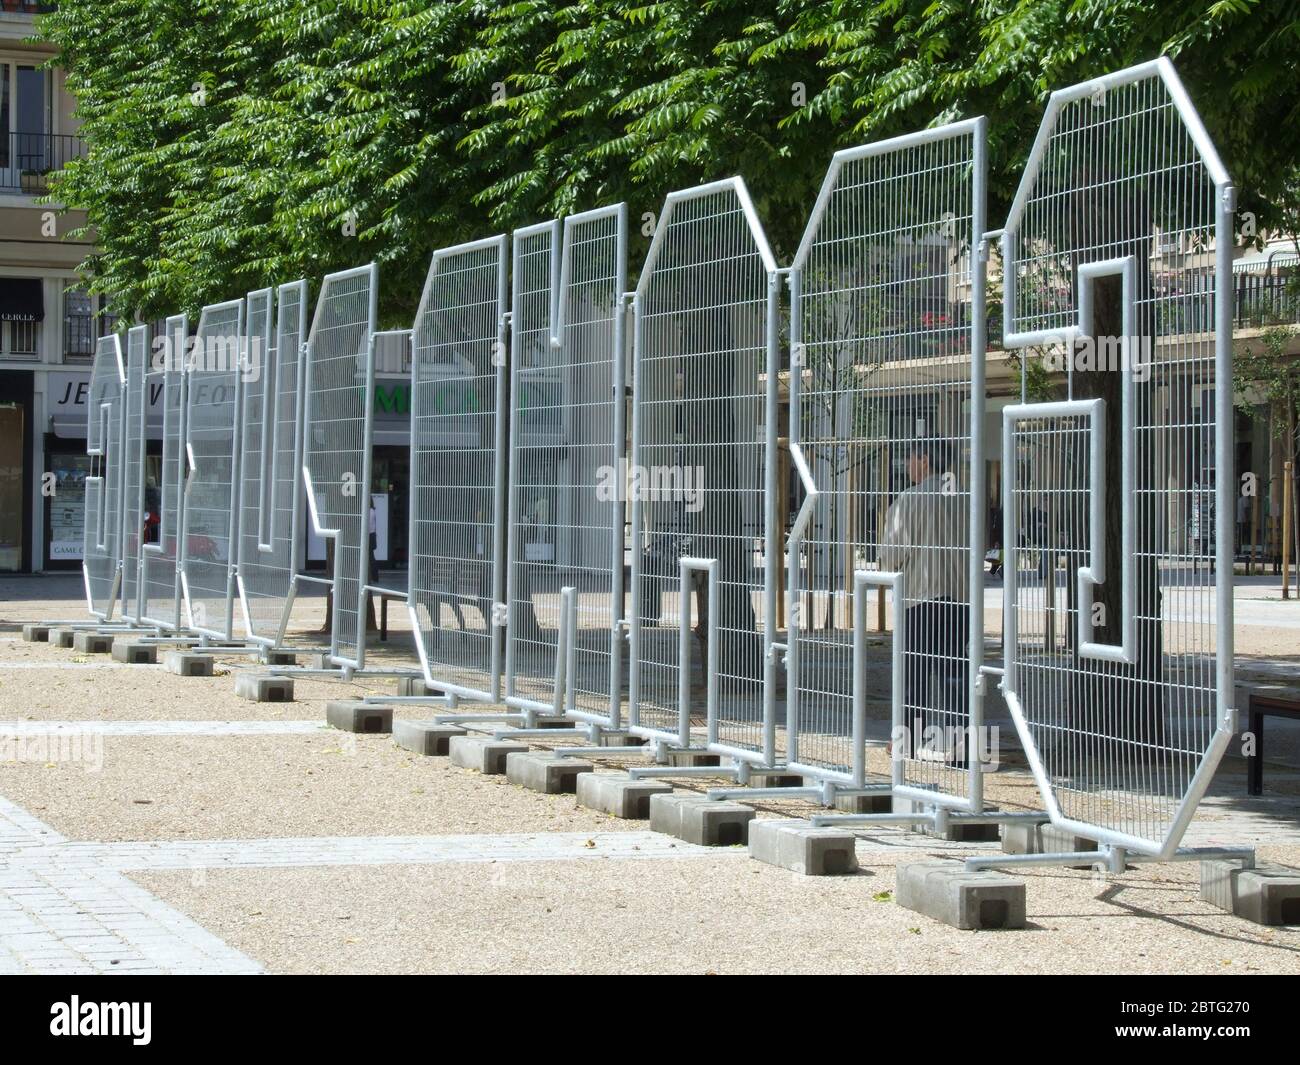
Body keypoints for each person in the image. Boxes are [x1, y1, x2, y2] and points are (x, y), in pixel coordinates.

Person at [878, 438, 971, 766]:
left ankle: (906, 740)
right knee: (957, 673)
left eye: (910, 458)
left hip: (919, 596)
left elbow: (890, 557)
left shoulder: (908, 500)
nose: (907, 465)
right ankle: (962, 744)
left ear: (925, 460)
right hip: (961, 597)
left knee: (913, 672)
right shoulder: (964, 500)